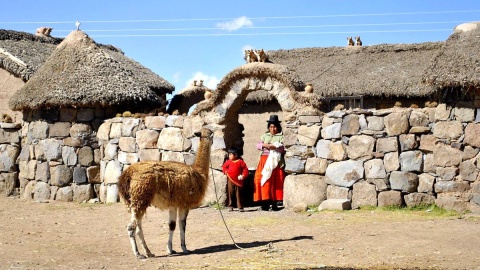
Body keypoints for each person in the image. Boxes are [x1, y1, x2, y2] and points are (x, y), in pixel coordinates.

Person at [253, 114, 286, 211]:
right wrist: (264, 145)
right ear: (269, 127)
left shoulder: (281, 137)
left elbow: (283, 149)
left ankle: (275, 203)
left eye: (275, 127)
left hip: (275, 162)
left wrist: (275, 147)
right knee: (262, 180)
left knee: (274, 181)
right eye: (271, 127)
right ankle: (265, 202)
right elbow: (258, 145)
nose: (273, 129)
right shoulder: (264, 136)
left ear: (278, 127)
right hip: (263, 160)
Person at [222, 147, 249, 212]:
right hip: (230, 179)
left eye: (231, 154)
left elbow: (245, 170)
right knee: (230, 192)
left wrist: (243, 175)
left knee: (238, 194)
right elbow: (224, 167)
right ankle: (230, 206)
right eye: (229, 154)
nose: (229, 156)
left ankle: (240, 206)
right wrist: (225, 172)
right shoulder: (228, 162)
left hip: (238, 180)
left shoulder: (241, 162)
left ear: (236, 155)